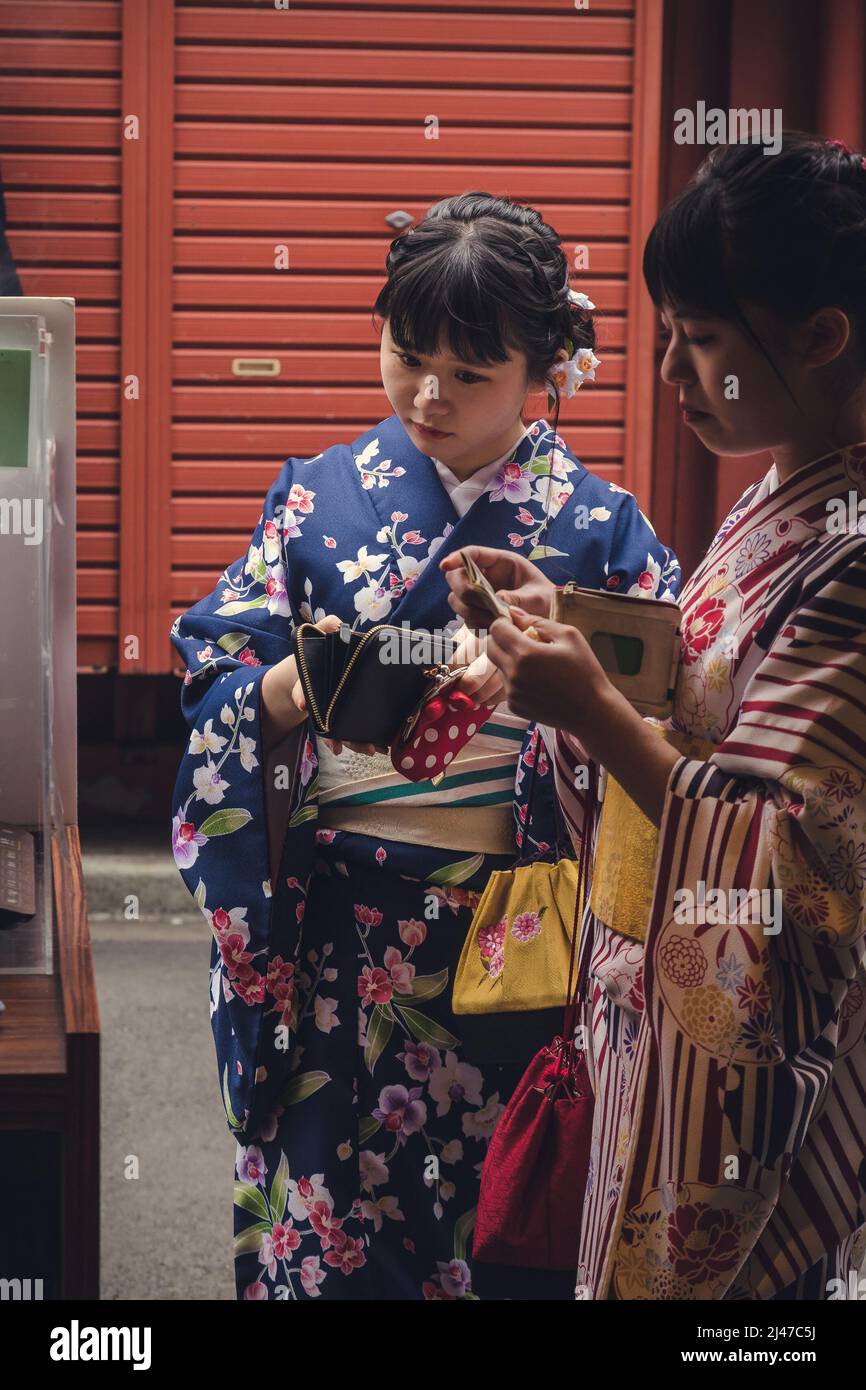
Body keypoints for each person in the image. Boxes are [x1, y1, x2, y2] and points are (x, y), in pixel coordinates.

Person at [170, 191, 679, 1301]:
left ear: (548, 369)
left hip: (520, 948)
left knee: (501, 1233)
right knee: (333, 1238)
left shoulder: (599, 528)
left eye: (470, 371)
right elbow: (214, 685)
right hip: (337, 945)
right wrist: (295, 687)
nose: (429, 395)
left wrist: (562, 694)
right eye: (407, 358)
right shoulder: (312, 501)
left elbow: (670, 709)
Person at [446, 134, 866, 1300]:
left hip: (743, 1042)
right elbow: (701, 701)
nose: (668, 369)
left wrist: (587, 704)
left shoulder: (854, 547)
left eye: (700, 339)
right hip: (659, 1008)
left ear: (821, 336)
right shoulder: (782, 486)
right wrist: (577, 641)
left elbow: (801, 857)